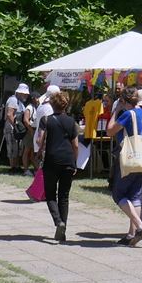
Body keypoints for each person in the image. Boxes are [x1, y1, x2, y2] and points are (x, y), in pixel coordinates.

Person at [35, 85, 80, 242]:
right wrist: (74, 162)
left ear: (51, 104)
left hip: (52, 160)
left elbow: (39, 140)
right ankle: (63, 229)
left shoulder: (46, 120)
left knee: (50, 194)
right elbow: (75, 145)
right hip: (68, 160)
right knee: (64, 196)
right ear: (65, 105)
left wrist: (40, 149)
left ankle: (58, 222)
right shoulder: (71, 121)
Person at [110, 86, 142, 245]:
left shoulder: (128, 114)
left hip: (130, 158)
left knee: (119, 194)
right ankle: (132, 233)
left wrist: (115, 111)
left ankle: (141, 227)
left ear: (124, 100)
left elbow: (110, 131)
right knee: (135, 196)